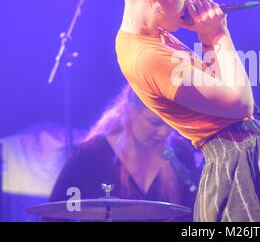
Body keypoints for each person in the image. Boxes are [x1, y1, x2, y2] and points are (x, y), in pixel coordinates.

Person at [115, 0, 260, 221]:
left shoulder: (155, 37)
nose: (188, 0)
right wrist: (219, 34)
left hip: (241, 160)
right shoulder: (148, 57)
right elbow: (240, 104)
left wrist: (208, 38)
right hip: (234, 166)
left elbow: (220, 86)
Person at [49, 85, 199, 221]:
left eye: (171, 123)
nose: (164, 132)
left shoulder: (180, 153)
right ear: (131, 111)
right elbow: (55, 214)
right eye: (155, 122)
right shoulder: (90, 154)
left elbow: (191, 214)